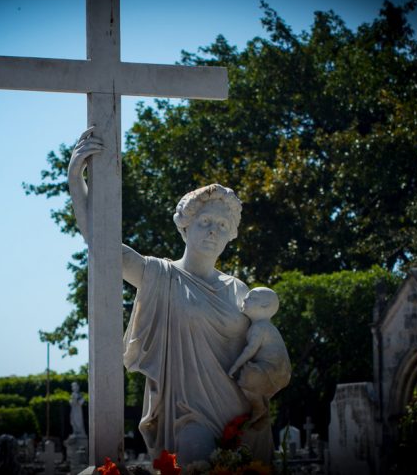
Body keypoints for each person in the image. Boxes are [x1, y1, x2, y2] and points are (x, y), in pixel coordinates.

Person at [68, 129, 276, 465]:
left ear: (231, 235)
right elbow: (103, 243)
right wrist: (76, 181)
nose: (213, 231)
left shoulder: (241, 291)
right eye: (205, 222)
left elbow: (270, 355)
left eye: (222, 226)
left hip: (243, 417)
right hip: (188, 416)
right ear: (185, 226)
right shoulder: (160, 276)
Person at [228, 287, 291, 430]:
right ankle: (262, 411)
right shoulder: (265, 327)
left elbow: (250, 350)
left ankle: (258, 408)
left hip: (273, 369)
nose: (245, 299)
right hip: (281, 372)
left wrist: (235, 366)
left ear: (265, 306)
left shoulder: (259, 327)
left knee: (246, 376)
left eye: (252, 298)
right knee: (255, 385)